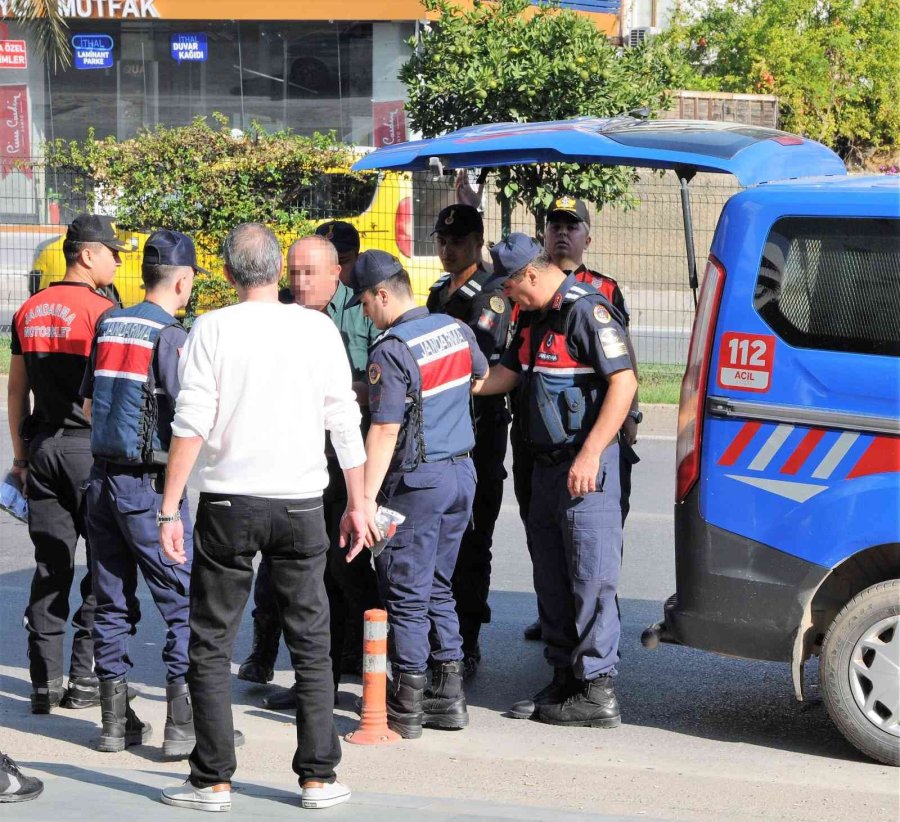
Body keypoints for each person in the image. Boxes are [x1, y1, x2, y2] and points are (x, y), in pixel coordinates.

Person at [158, 223, 364, 812]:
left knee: (211, 640)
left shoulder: (212, 328)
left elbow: (191, 422)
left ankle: (212, 779)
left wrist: (170, 507)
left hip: (228, 502)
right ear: (279, 271)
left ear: (227, 274)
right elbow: (344, 419)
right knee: (312, 641)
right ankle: (318, 778)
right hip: (301, 503)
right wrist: (359, 502)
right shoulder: (317, 329)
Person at [81, 229, 244, 757]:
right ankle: (183, 723)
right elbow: (190, 417)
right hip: (149, 488)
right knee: (184, 602)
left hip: (101, 481)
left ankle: (113, 724)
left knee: (110, 600)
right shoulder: (171, 337)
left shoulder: (110, 321)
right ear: (182, 280)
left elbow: (88, 405)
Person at [474, 234, 637, 728]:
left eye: (509, 287)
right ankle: (565, 676)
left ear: (529, 274)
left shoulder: (587, 311)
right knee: (551, 576)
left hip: (584, 469)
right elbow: (509, 374)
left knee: (590, 577)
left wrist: (590, 453)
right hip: (543, 469)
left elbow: (624, 382)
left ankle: (597, 690)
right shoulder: (532, 317)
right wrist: (456, 380)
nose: (506, 297)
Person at [349, 249, 488, 739]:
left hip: (418, 482)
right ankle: (448, 694)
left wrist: (365, 501)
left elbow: (385, 429)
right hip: (461, 475)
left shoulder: (391, 350)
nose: (366, 314)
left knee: (406, 590)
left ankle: (407, 699)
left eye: (366, 304)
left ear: (382, 294)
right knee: (439, 584)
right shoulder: (455, 328)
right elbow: (479, 376)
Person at [245, 235, 380, 711]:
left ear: (336, 273)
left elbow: (384, 385)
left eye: (310, 273)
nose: (300, 283)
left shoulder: (361, 311)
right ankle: (316, 681)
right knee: (306, 580)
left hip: (349, 465)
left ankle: (381, 680)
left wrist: (335, 389)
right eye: (294, 272)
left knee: (351, 574)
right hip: (294, 466)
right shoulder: (277, 314)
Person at [8, 213, 127, 714]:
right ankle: (84, 678)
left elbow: (17, 391)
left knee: (49, 566)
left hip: (41, 451)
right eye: (111, 252)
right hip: (87, 452)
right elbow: (109, 394)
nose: (117, 261)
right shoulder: (103, 312)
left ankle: (44, 682)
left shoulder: (28, 310)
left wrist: (20, 458)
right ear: (86, 254)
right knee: (104, 565)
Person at [518, 196, 641, 642]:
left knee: (593, 545)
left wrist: (629, 419)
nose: (562, 234)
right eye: (555, 226)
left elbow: (623, 364)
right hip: (535, 438)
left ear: (588, 237)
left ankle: (596, 635)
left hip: (587, 440)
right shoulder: (527, 287)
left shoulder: (601, 292)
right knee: (543, 534)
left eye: (572, 226)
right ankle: (554, 617)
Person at [425, 204, 511, 678]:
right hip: (442, 432)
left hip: (479, 434)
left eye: (457, 241)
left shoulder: (491, 295)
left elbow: (478, 357)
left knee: (473, 541)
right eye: (441, 241)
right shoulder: (439, 292)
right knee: (438, 540)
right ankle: (438, 636)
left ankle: (468, 637)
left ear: (478, 243)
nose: (448, 249)